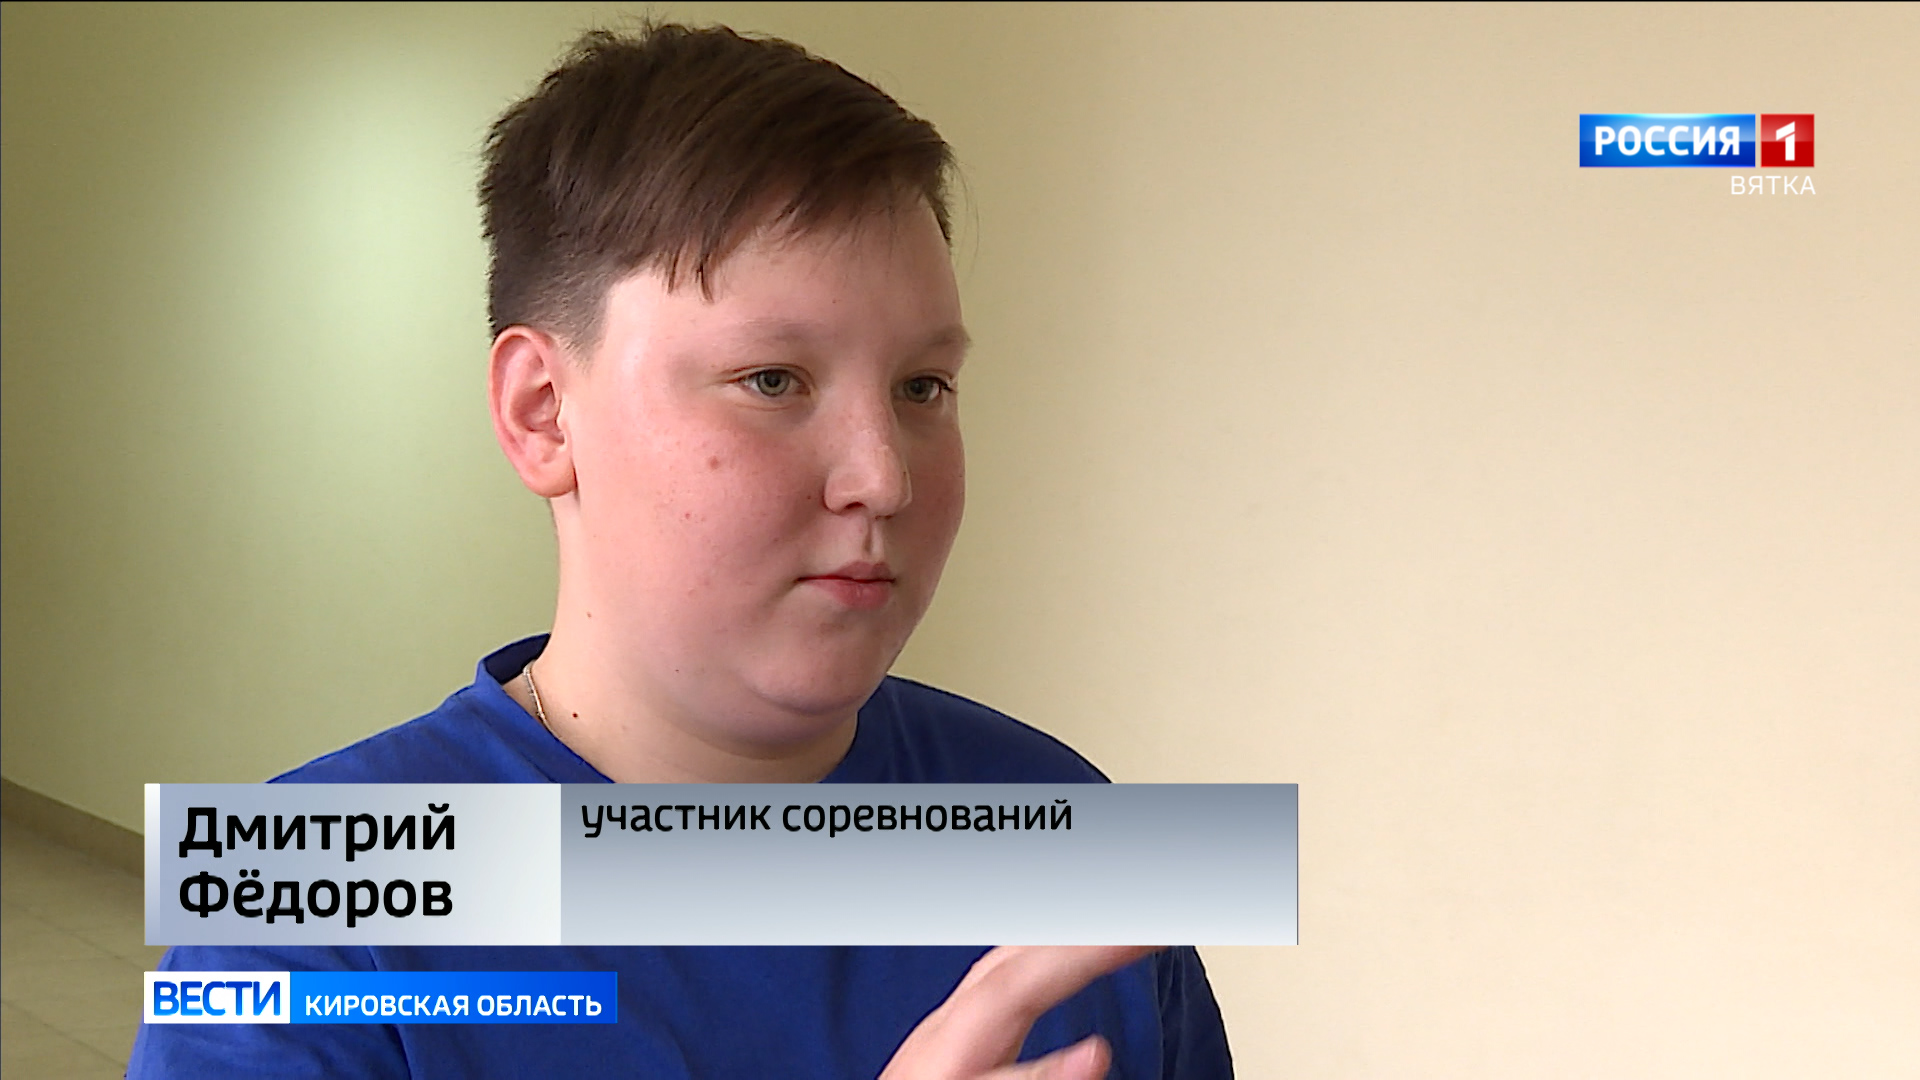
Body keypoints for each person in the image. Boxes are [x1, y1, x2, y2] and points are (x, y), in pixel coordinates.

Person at [130, 22, 1232, 1079]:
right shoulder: (310, 918)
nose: (884, 476)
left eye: (923, 387)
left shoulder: (1066, 828)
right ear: (544, 413)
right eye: (772, 380)